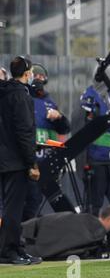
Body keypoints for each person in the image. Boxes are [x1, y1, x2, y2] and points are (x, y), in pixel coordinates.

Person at [0, 56, 41, 265]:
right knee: (13, 209)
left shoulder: (4, 93)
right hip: (16, 161)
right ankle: (10, 250)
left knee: (7, 208)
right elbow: (24, 132)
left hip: (4, 159)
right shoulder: (20, 96)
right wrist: (31, 163)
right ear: (27, 74)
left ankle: (11, 248)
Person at [22, 65, 71, 221]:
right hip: (26, 162)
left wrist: (59, 118)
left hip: (45, 163)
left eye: (41, 77)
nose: (38, 80)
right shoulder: (21, 97)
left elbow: (65, 129)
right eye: (35, 76)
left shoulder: (49, 102)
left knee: (35, 203)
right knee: (25, 203)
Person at [80, 65, 110, 223]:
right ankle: (90, 241)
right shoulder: (90, 96)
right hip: (96, 160)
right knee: (93, 206)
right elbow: (84, 126)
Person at [22, 205, 110, 260]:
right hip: (34, 241)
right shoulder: (94, 229)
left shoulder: (85, 220)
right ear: (109, 219)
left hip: (30, 234)